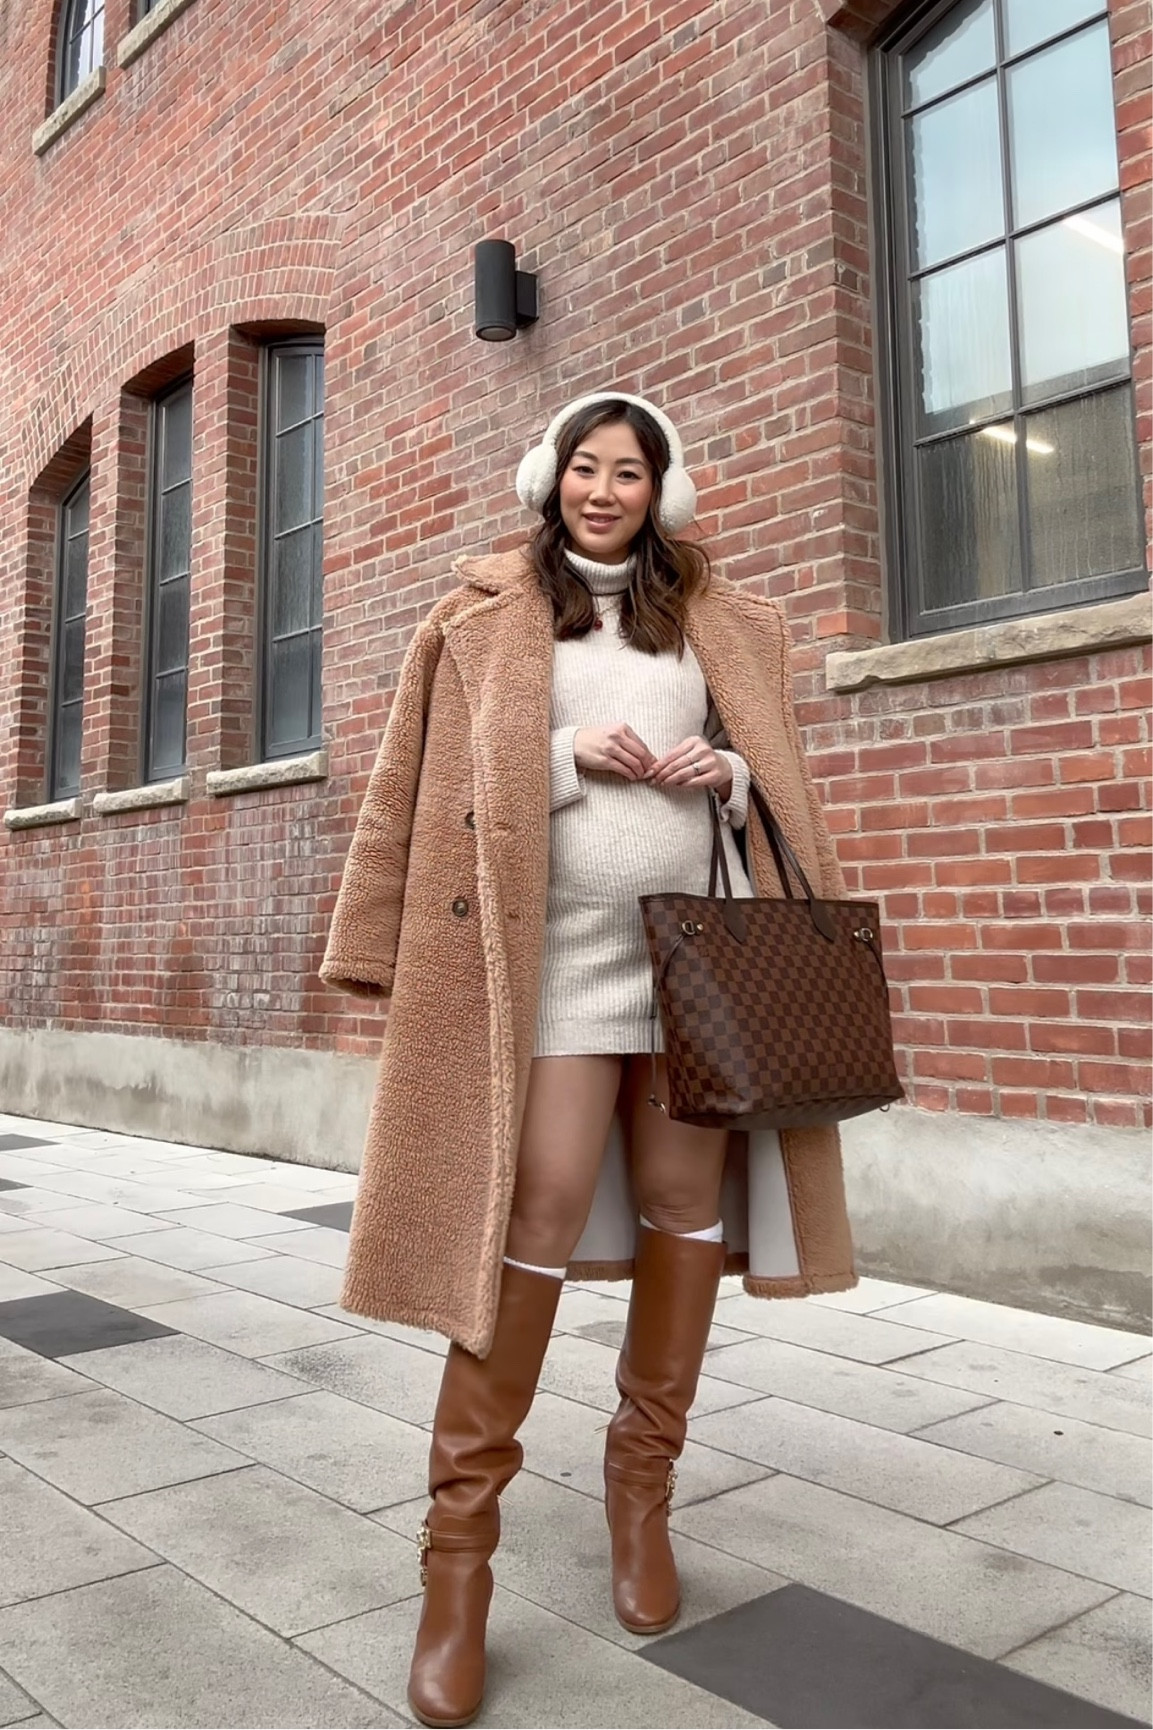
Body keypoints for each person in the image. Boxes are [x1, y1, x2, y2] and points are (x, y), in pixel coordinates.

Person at [321, 390, 856, 1728]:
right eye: (583, 467)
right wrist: (565, 752)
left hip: (694, 968)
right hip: (549, 967)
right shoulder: (482, 611)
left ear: (659, 491)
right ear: (549, 478)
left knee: (686, 1207)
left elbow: (768, 778)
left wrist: (718, 777)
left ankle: (641, 1494)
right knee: (535, 1207)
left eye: (628, 471)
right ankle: (457, 1563)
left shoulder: (715, 612)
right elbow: (430, 780)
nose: (601, 489)